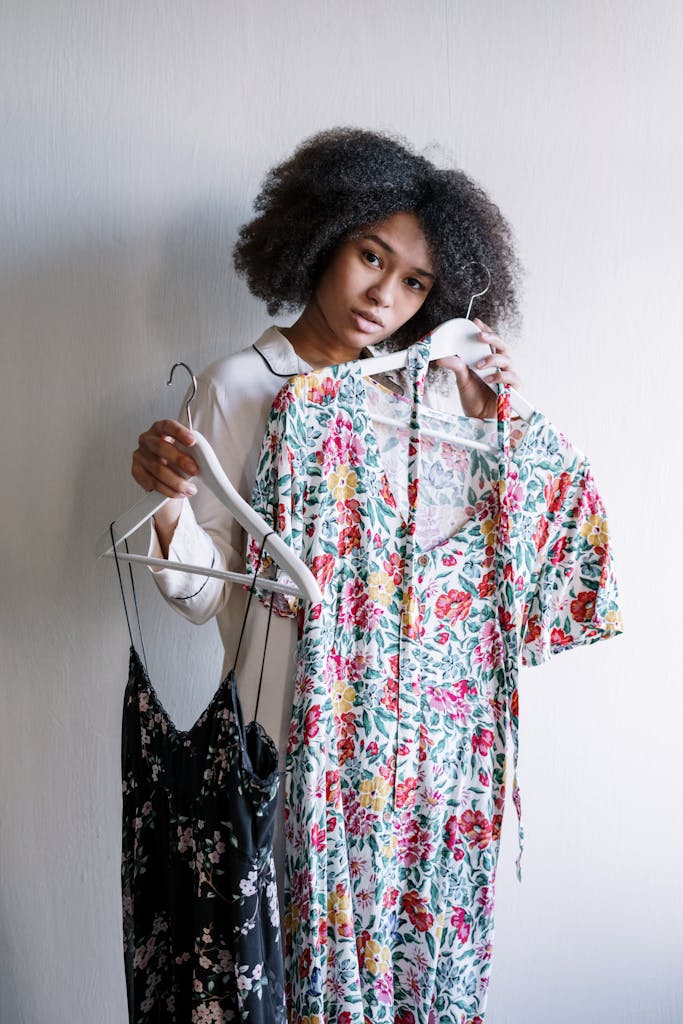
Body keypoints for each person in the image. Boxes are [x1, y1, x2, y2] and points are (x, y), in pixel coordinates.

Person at [130, 126, 522, 884]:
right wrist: (170, 504)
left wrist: (480, 420)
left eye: (413, 282)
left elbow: (465, 582)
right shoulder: (237, 387)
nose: (382, 296)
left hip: (407, 750)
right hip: (280, 741)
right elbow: (205, 594)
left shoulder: (423, 401)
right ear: (320, 239)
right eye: (371, 256)